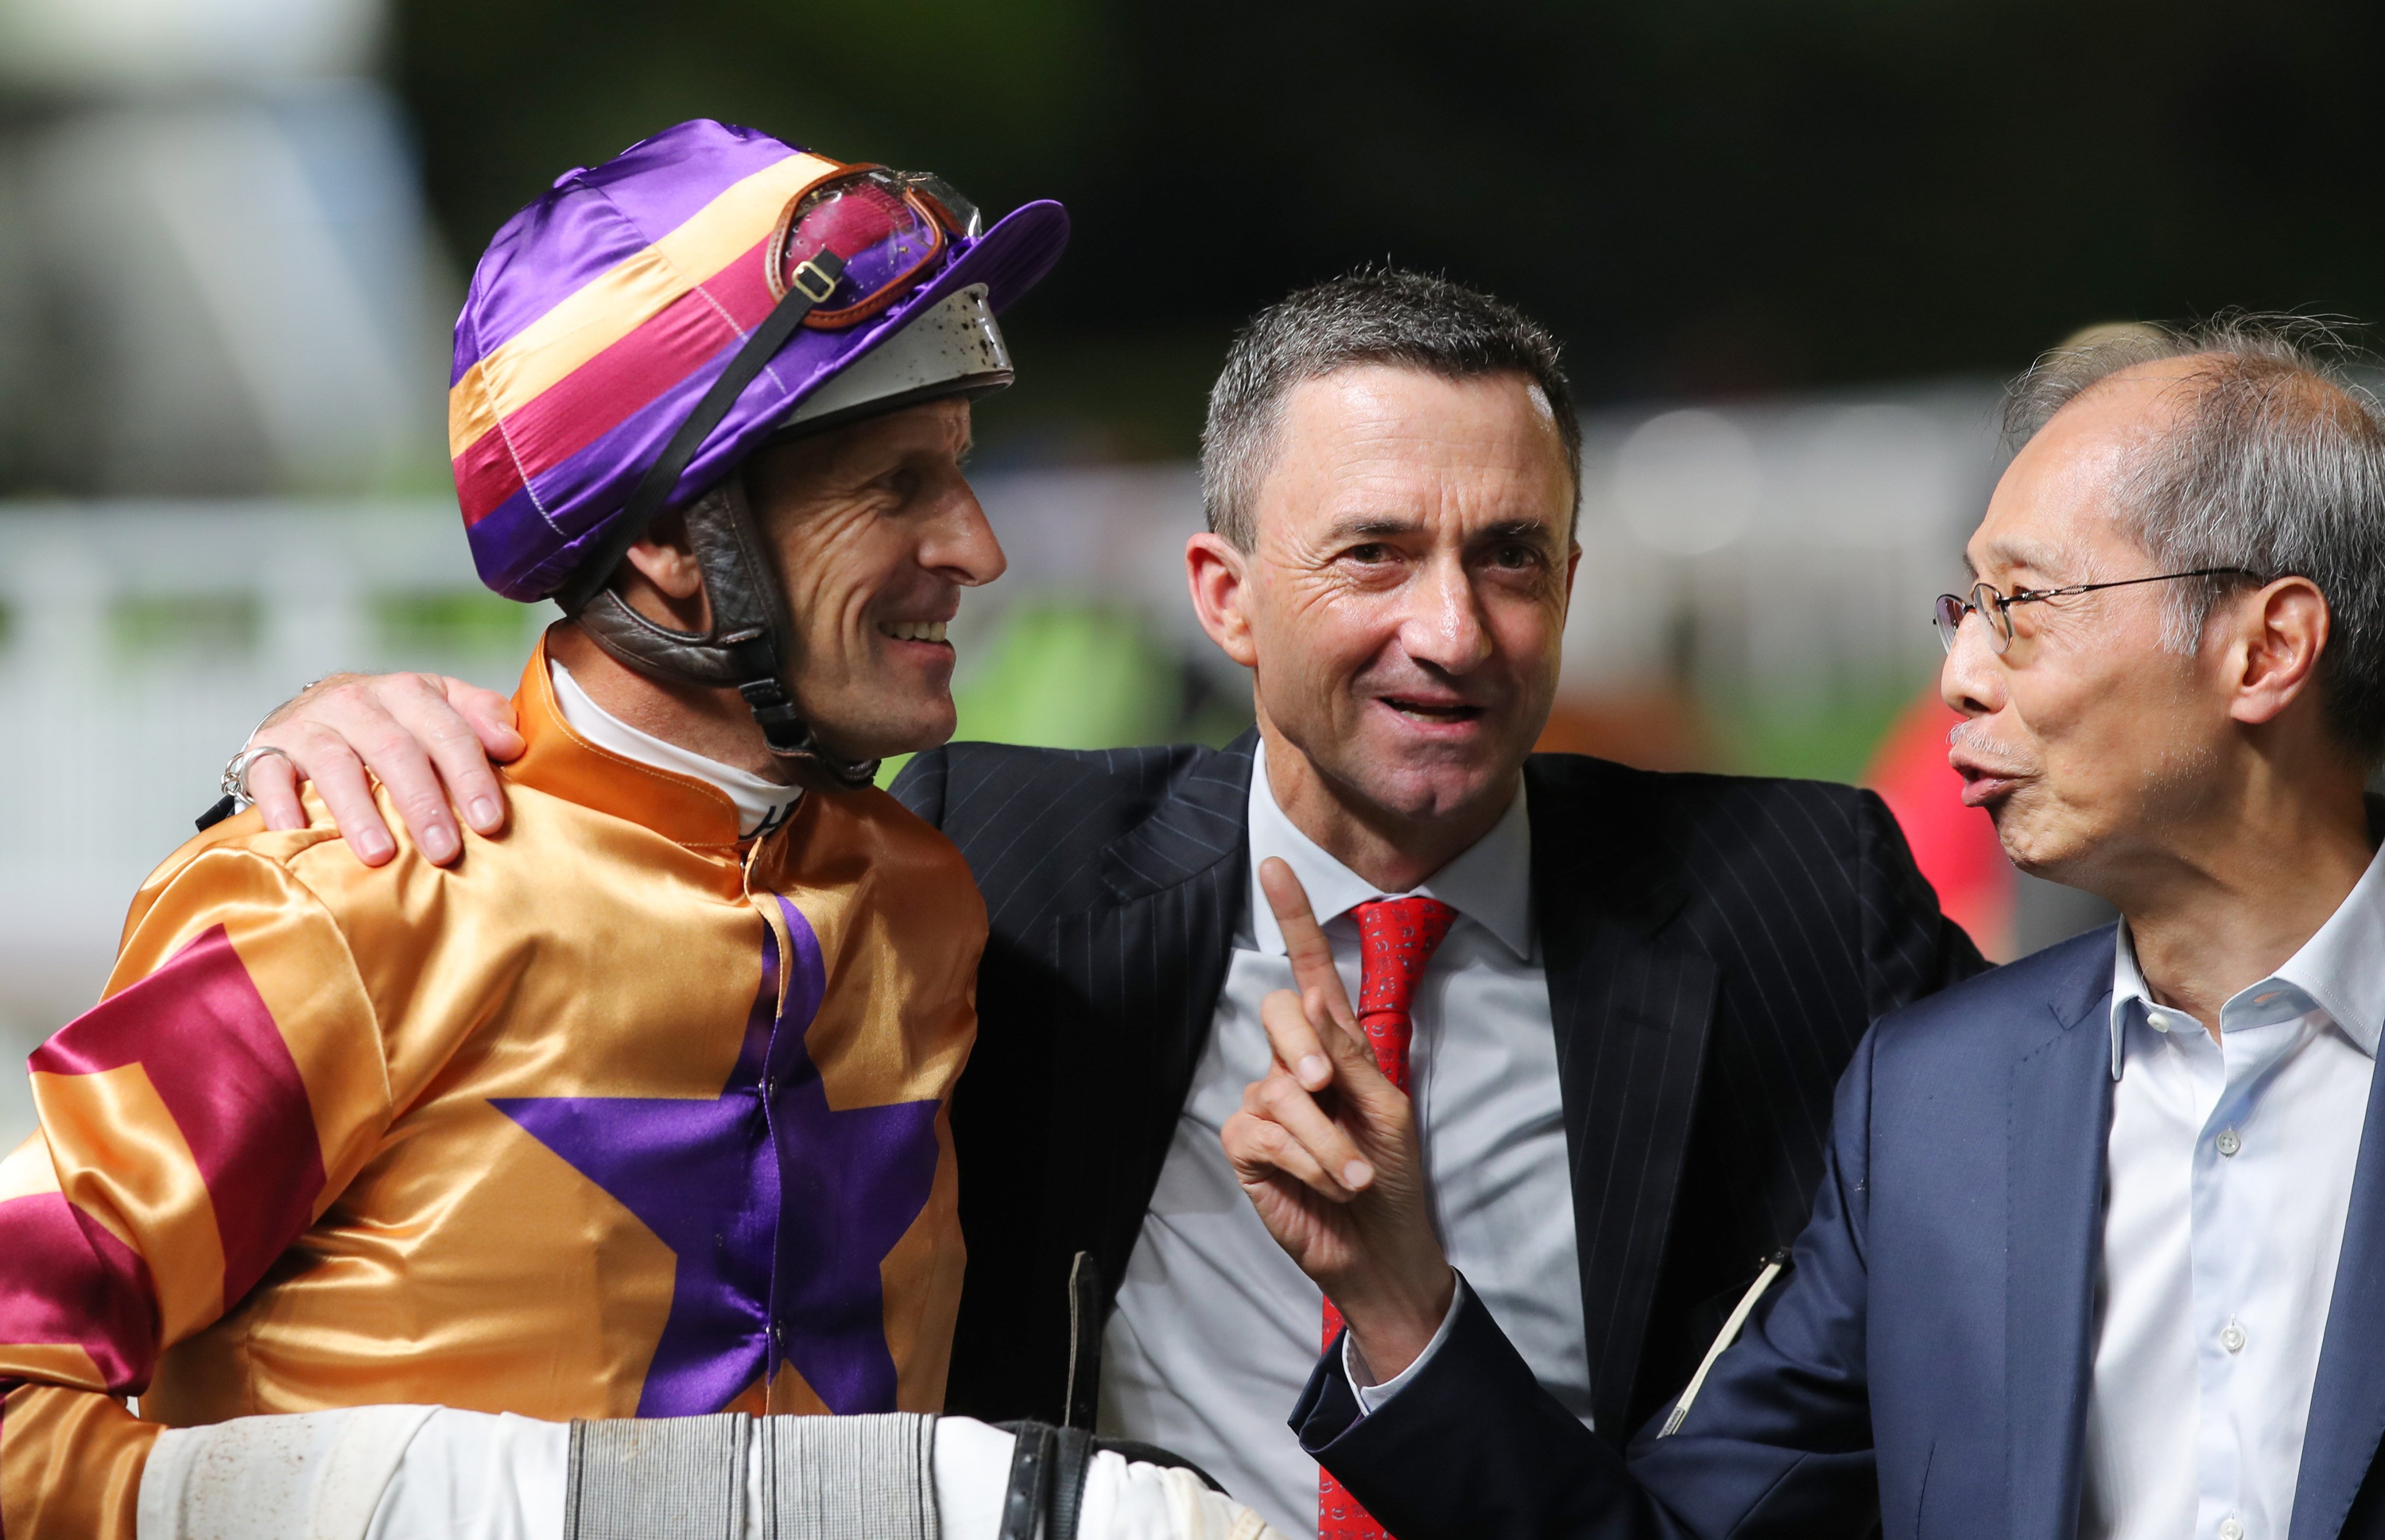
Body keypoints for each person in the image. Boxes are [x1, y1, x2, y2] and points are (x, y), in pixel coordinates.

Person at [242, 268, 1984, 1537]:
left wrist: (1410, 1310)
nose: (1452, 630)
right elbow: (649, 807)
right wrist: (325, 739)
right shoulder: (993, 860)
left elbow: (2092, 1161)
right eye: (1374, 553)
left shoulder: (1798, 890)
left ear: (1572, 583)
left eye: (1510, 556)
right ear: (1224, 597)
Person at [0, 117, 1282, 1540]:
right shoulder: (344, 897)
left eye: (960, 469)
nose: (976, 547)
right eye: (895, 484)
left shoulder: (927, 900)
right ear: (674, 539)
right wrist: (423, 1506)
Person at [1229, 317, 2385, 1539]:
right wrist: (1405, 1312)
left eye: (2023, 605)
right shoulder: (1936, 1104)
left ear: (2264, 648)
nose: (1959, 677)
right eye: (1965, 606)